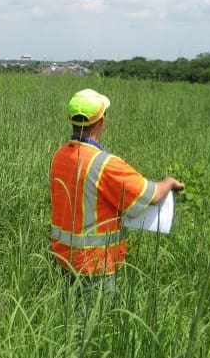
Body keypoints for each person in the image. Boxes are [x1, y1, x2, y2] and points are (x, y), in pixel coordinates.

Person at [50, 88, 185, 297]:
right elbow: (151, 195)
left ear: (72, 120)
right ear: (102, 121)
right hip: (93, 265)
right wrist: (168, 182)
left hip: (62, 257)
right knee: (94, 325)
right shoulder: (105, 164)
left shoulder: (60, 155)